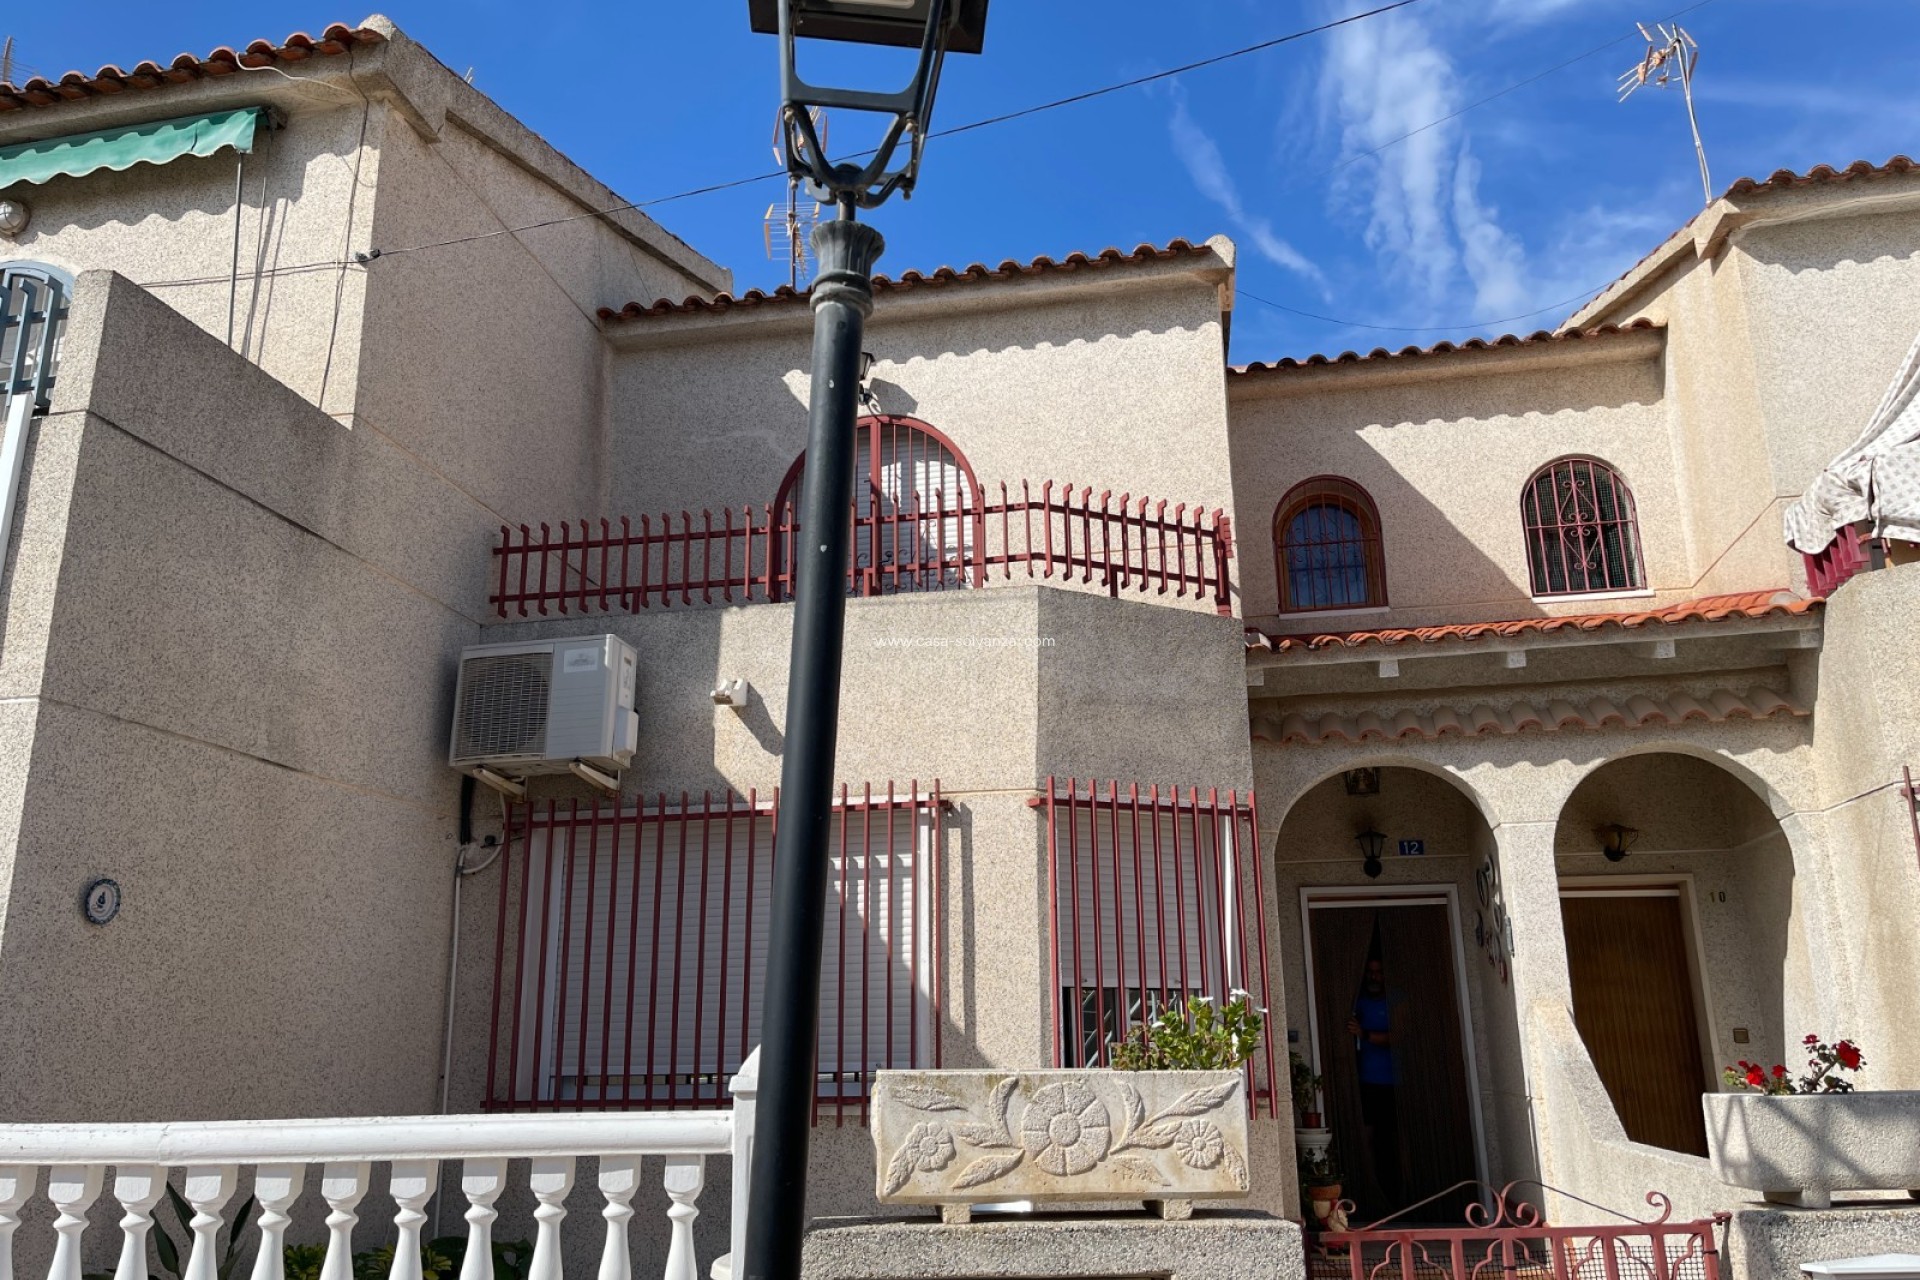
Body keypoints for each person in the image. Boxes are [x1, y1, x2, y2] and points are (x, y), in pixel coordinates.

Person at [1346, 953, 1408, 1205]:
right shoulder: (1358, 1000)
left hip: (1394, 1081)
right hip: (1366, 1081)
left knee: (1396, 1136)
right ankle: (1373, 1193)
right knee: (1368, 1136)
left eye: (1378, 972)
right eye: (1370, 972)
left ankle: (1404, 1192)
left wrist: (1365, 1034)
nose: (1374, 977)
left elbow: (1399, 1035)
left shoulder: (1396, 999)